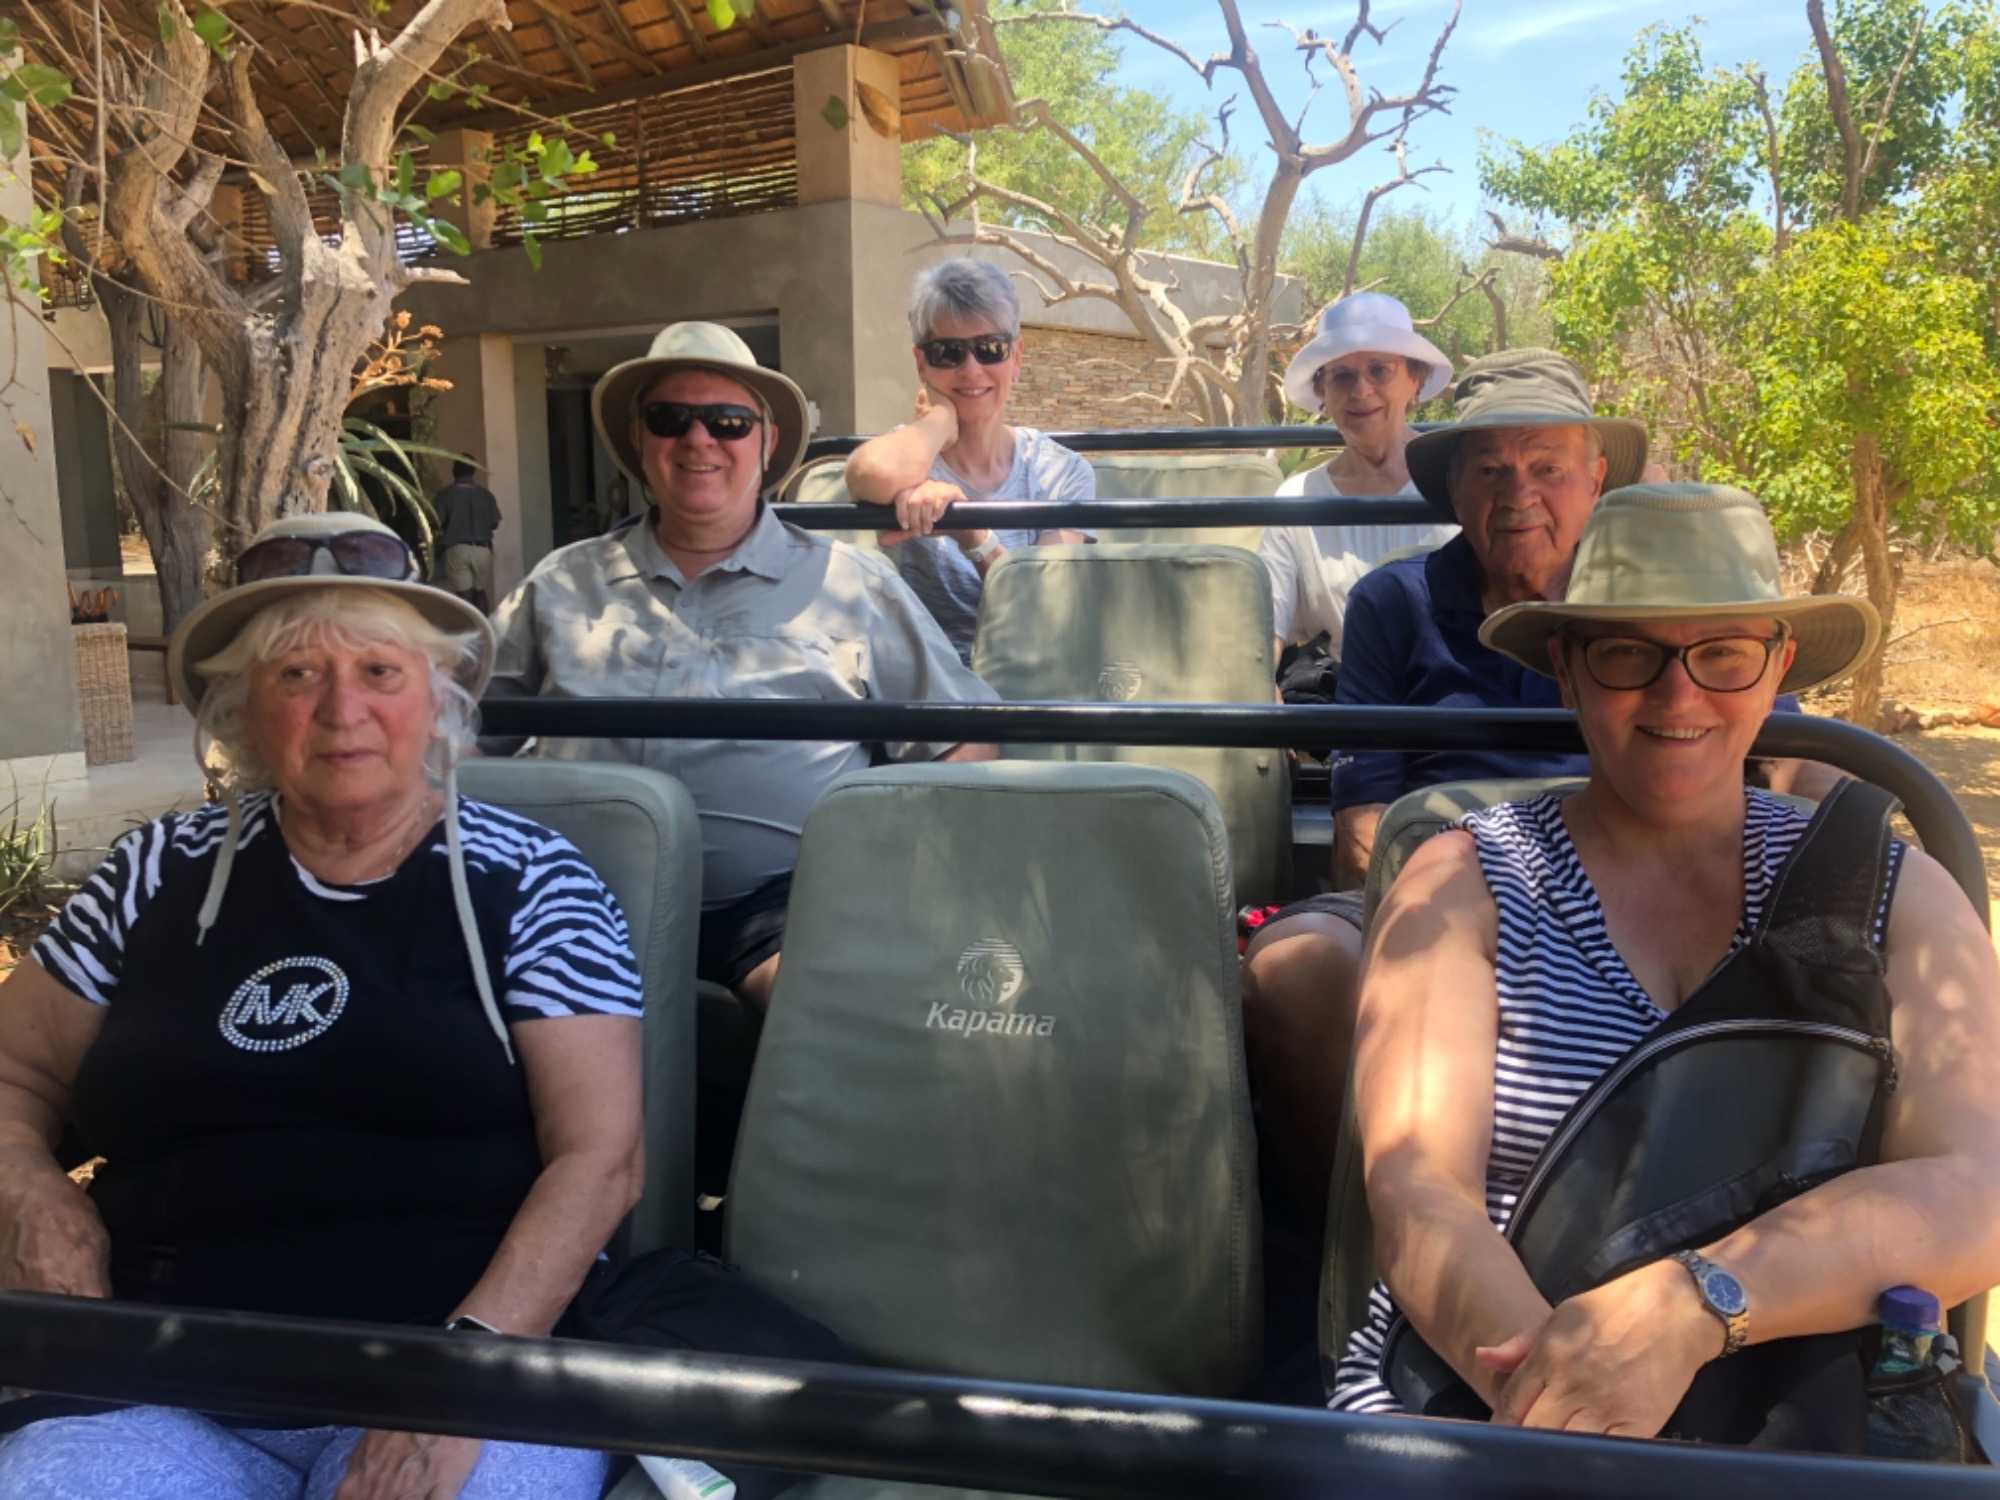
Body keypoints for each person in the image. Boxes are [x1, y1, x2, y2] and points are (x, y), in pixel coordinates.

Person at [1330, 483, 2000, 1436]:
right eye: (1626, 653)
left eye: (1722, 653)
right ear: (1567, 669)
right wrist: (1574, 1411)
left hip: (1801, 1416)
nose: (1678, 694)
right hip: (1492, 1396)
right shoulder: (1460, 887)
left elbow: (1975, 1189)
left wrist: (1698, 1305)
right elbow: (1419, 1200)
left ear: (1777, 668)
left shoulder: (1896, 895)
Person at [0, 511, 644, 1498]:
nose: (342, 710)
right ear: (241, 711)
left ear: (437, 699)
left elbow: (601, 1161)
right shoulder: (154, 872)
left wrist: (462, 1375)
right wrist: (31, 1193)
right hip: (157, 1371)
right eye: (296, 675)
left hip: (466, 1367)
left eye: (380, 672)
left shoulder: (530, 882)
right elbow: (13, 1074)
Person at [1242, 348, 1649, 1229]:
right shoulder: (1395, 602)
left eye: (1547, 468)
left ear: (1596, 478)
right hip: (1431, 885)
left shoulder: (1656, 599)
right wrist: (1469, 926)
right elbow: (1362, 827)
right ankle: (1338, 1242)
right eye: (1490, 470)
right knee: (1293, 968)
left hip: (1632, 892)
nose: (1518, 494)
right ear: (1454, 488)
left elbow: (1774, 750)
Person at [489, 322, 997, 1015]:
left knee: (835, 1017)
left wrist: (879, 868)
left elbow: (966, 741)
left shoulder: (851, 582)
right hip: (574, 895)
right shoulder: (561, 581)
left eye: (728, 422)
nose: (698, 440)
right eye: (670, 420)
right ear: (640, 441)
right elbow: (461, 731)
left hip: (776, 909)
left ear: (765, 442)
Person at [842, 258, 1096, 662]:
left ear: (1016, 357)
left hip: (1026, 679)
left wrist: (974, 536)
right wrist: (940, 422)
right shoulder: (909, 459)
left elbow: (1043, 615)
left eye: (990, 349)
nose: (971, 369)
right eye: (948, 353)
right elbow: (869, 473)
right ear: (921, 363)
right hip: (926, 683)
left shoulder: (1061, 471)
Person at [1259, 293, 1460, 670]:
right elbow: (1265, 627)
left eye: (1379, 370)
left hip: (1452, 689)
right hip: (1340, 696)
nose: (1361, 391)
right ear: (1323, 393)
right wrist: (1262, 685)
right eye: (1342, 376)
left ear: (1414, 380)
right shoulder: (1297, 501)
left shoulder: (1460, 483)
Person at [432, 459, 503, 613]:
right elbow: (494, 523)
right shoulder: (486, 495)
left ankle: (469, 627)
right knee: (480, 592)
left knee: (464, 596)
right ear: (473, 471)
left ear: (454, 470)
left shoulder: (445, 495)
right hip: (483, 549)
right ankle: (485, 625)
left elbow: (436, 523)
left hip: (457, 549)